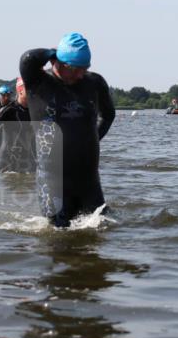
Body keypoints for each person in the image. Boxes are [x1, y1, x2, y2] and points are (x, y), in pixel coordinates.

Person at [19, 32, 115, 227]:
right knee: (58, 236)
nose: (81, 74)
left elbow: (109, 115)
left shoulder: (94, 83)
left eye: (85, 68)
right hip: (52, 179)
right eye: (76, 69)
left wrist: (93, 139)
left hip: (88, 178)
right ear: (60, 62)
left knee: (102, 227)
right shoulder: (38, 82)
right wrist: (53, 52)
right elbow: (28, 58)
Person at [0, 77, 36, 173]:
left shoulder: (35, 111)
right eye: (29, 88)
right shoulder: (9, 110)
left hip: (27, 159)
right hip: (6, 159)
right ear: (20, 91)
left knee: (31, 185)